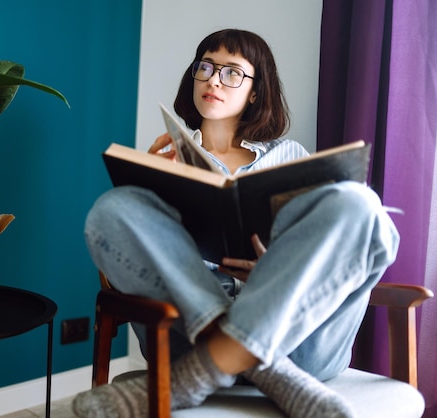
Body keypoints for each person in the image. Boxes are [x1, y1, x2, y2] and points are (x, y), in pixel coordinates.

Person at [73, 29, 399, 418]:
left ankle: (196, 376)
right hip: (188, 331)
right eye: (206, 67)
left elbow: (331, 248)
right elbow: (143, 254)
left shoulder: (291, 156)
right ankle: (270, 372)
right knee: (112, 207)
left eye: (231, 72)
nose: (213, 78)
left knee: (360, 203)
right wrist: (149, 187)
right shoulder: (169, 160)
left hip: (299, 337)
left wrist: (277, 268)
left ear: (256, 91)